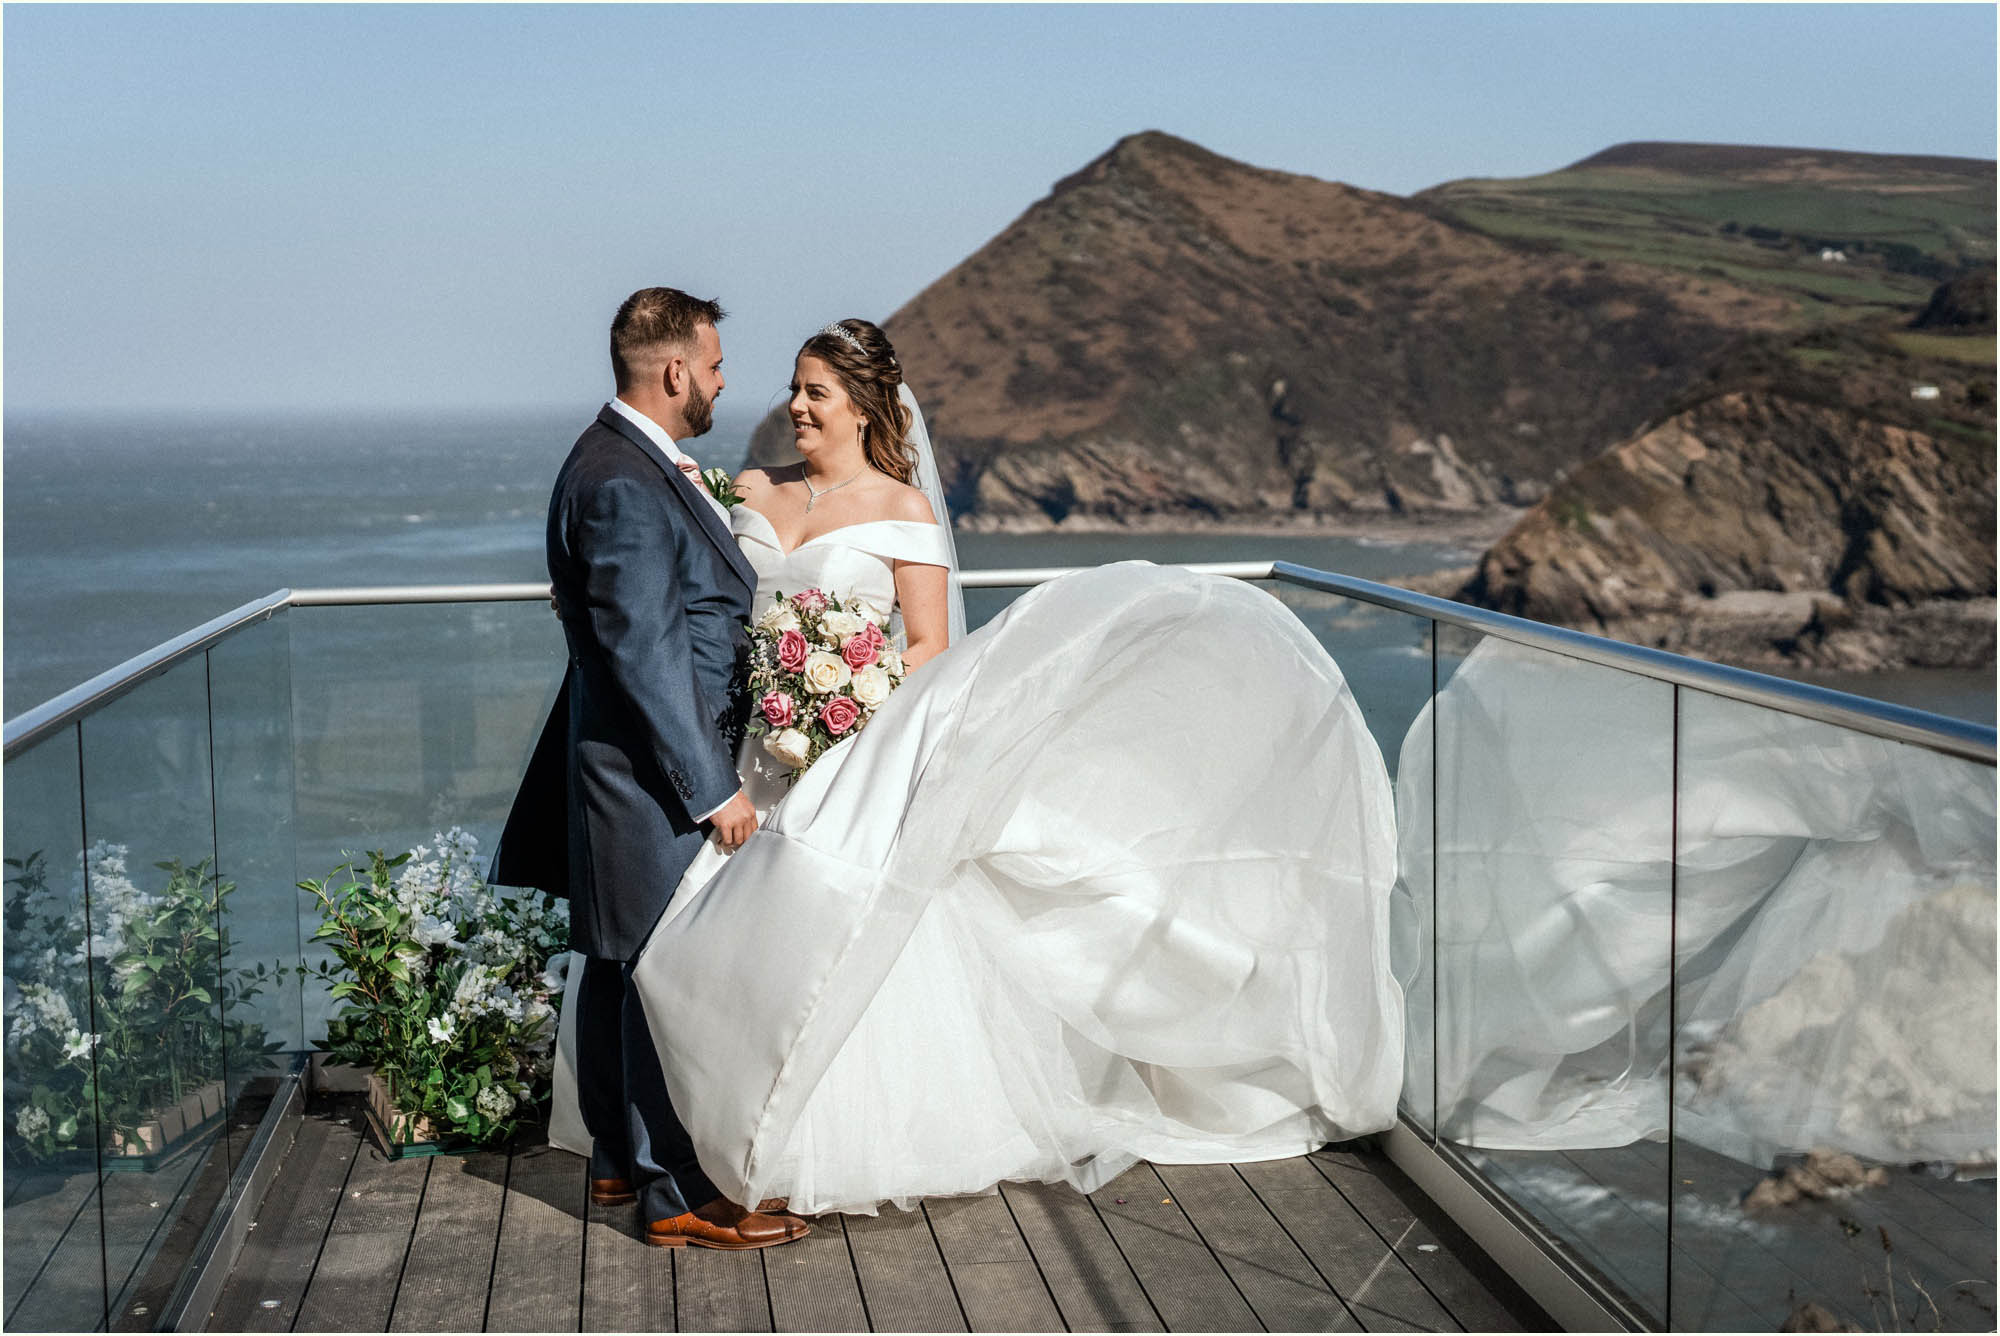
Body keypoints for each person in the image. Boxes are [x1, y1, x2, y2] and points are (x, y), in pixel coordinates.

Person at [547, 317, 1407, 1217]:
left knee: (813, 942)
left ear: (862, 406)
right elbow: (686, 601)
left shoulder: (905, 513)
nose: (794, 406)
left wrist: (847, 713)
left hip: (847, 758)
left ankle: (796, 1146)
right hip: (741, 759)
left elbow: (926, 649)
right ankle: (682, 1139)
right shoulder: (751, 491)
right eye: (794, 389)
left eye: (816, 393)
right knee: (710, 949)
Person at [493, 287, 808, 1251]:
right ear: (674, 371)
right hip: (648, 775)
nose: (721, 381)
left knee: (618, 964)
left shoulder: (615, 460)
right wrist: (712, 786)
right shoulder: (625, 481)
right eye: (713, 366)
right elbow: (644, 649)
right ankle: (677, 1197)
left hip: (621, 766)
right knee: (659, 973)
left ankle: (615, 1163)